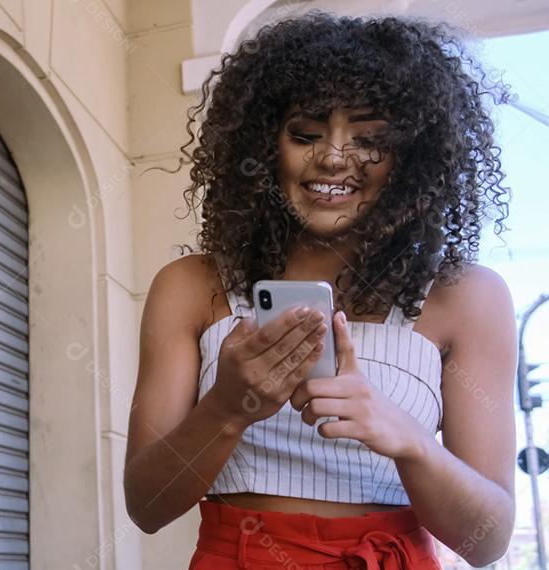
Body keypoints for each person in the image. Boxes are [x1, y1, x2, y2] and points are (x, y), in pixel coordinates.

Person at [124, 10, 518, 569]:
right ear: (262, 145)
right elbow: (146, 506)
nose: (333, 156)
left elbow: (489, 540)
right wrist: (228, 408)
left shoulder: (467, 297)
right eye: (304, 134)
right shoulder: (192, 288)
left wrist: (408, 438)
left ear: (413, 157)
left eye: (371, 138)